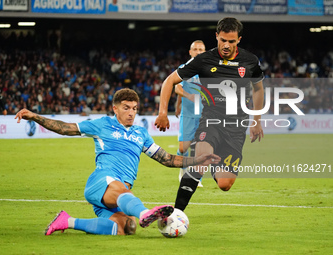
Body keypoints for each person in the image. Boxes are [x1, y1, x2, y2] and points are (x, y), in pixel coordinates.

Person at [15, 88, 220, 236]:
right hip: (102, 182)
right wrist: (35, 117)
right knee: (125, 194)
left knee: (125, 229)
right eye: (126, 108)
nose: (131, 112)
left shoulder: (141, 134)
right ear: (115, 109)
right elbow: (65, 127)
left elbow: (166, 159)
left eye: (134, 108)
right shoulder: (102, 124)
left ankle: (66, 221)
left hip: (118, 193)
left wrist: (197, 159)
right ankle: (144, 213)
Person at [155, 17, 265, 211]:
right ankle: (176, 214)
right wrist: (162, 112)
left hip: (236, 128)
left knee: (224, 184)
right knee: (200, 160)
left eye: (231, 41)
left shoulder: (250, 61)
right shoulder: (204, 60)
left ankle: (214, 163)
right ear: (216, 36)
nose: (226, 45)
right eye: (223, 40)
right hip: (211, 120)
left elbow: (258, 89)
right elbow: (169, 81)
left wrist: (257, 121)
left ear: (239, 39)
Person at [174, 40, 206, 187]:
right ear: (190, 52)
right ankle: (183, 170)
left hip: (204, 115)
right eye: (195, 49)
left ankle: (195, 178)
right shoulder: (184, 68)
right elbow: (177, 88)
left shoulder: (209, 71)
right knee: (183, 148)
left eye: (201, 50)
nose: (198, 52)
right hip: (188, 114)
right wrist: (181, 102)